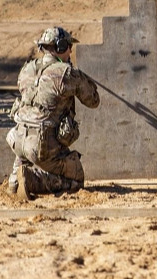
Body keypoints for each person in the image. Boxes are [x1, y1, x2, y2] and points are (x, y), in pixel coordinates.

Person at [6, 27, 100, 200]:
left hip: (17, 138)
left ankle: (14, 179)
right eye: (68, 46)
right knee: (76, 177)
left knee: (26, 156)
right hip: (42, 144)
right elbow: (93, 101)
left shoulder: (27, 69)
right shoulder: (66, 73)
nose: (71, 50)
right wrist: (78, 75)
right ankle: (32, 180)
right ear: (60, 47)